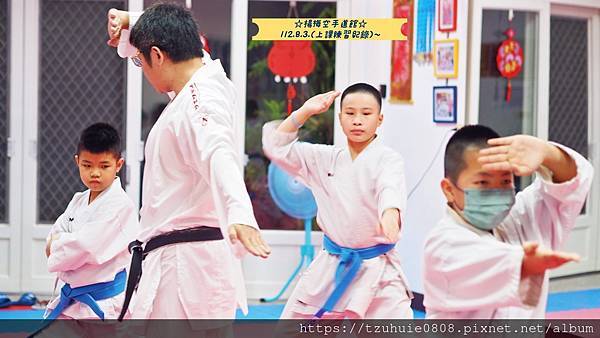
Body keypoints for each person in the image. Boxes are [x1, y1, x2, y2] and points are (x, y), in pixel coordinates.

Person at [105, 3, 270, 322]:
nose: (142, 68)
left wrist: (240, 210)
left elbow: (218, 152)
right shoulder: (209, 79)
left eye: (140, 61)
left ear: (157, 55)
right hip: (194, 265)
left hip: (185, 271)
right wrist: (133, 23)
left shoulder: (199, 102)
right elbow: (187, 39)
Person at [263, 83, 413, 319]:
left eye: (366, 113)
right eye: (350, 113)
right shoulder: (323, 158)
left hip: (377, 270)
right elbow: (276, 147)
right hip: (331, 267)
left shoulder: (388, 160)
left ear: (380, 119)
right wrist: (304, 111)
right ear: (340, 117)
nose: (357, 120)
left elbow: (389, 189)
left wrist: (390, 214)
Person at [423, 125, 593, 319]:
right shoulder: (442, 245)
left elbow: (570, 184)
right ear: (449, 189)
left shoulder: (521, 218)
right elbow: (484, 260)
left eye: (505, 181)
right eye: (483, 183)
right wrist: (525, 262)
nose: (496, 190)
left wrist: (547, 153)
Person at [42, 123, 139, 328]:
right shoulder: (79, 200)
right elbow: (57, 233)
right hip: (71, 301)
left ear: (118, 164)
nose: (95, 173)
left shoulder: (120, 205)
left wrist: (58, 243)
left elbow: (86, 246)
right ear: (77, 162)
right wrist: (61, 242)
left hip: (103, 303)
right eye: (87, 165)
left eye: (104, 166)